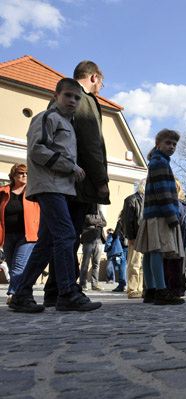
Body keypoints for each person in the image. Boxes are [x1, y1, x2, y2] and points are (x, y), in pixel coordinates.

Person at [9, 78, 101, 312]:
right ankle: (68, 292)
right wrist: (70, 167)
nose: (73, 101)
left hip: (59, 187)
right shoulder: (47, 117)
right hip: (49, 186)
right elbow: (37, 149)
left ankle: (21, 293)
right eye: (68, 95)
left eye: (77, 98)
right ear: (56, 95)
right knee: (66, 235)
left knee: (47, 242)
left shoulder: (66, 123)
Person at [43, 60, 111, 306]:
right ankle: (67, 291)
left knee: (56, 238)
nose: (101, 89)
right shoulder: (84, 99)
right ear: (94, 78)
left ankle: (54, 290)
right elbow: (91, 142)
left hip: (57, 180)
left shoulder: (60, 99)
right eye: (101, 83)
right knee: (68, 237)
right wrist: (100, 179)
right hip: (77, 181)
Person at [134, 129, 185, 305]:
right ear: (158, 144)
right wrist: (172, 215)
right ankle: (161, 290)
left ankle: (151, 290)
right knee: (156, 250)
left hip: (151, 214)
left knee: (149, 252)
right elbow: (163, 192)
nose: (171, 146)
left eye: (174, 144)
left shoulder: (156, 162)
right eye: (168, 143)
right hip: (160, 214)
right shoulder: (160, 163)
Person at [0, 164, 40, 303]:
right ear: (13, 175)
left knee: (18, 266)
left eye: (27, 173)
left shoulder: (33, 192)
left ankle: (14, 294)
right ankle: (21, 292)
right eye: (21, 172)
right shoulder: (3, 192)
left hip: (27, 235)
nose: (24, 175)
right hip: (7, 236)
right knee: (12, 267)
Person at [121, 179, 145, 298]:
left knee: (143, 265)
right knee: (134, 264)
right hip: (136, 236)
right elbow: (127, 220)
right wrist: (130, 236)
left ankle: (140, 289)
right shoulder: (131, 199)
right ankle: (132, 289)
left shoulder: (149, 201)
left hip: (146, 237)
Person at [79, 205, 106, 290]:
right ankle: (83, 284)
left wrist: (97, 222)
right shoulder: (86, 210)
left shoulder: (99, 212)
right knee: (85, 263)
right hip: (88, 239)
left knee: (96, 263)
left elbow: (105, 223)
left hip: (99, 240)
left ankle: (95, 284)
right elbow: (89, 220)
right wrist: (99, 221)